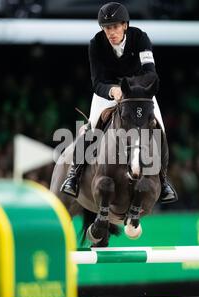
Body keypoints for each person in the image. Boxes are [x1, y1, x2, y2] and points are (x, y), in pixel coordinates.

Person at [60, 2, 177, 203]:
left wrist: (131, 90)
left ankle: (163, 180)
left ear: (125, 25)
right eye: (107, 28)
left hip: (139, 93)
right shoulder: (96, 44)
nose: (111, 32)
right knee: (91, 128)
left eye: (115, 27)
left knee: (160, 130)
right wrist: (113, 90)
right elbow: (97, 83)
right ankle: (74, 175)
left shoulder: (140, 38)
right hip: (108, 93)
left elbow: (150, 74)